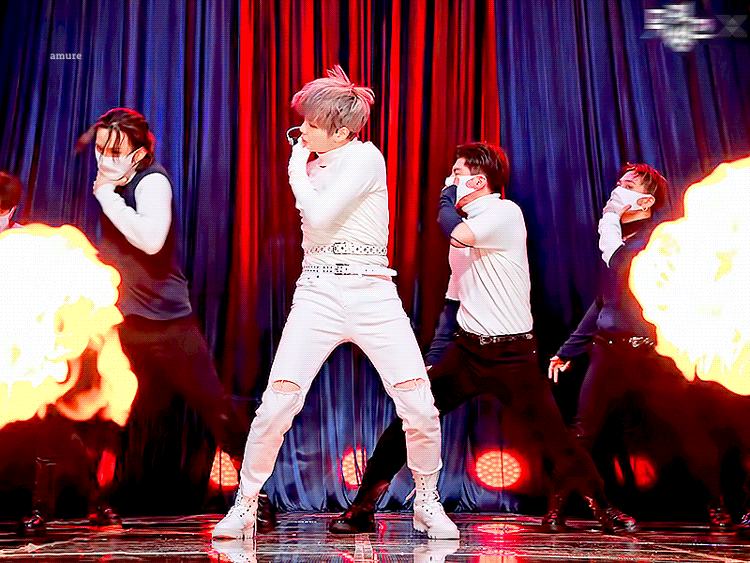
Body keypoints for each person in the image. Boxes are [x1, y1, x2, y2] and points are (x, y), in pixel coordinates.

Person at [328, 142, 636, 534]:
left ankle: (604, 507)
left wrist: (445, 197)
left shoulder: (502, 213)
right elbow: (453, 298)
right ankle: (362, 507)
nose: (450, 179)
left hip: (514, 355)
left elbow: (457, 233)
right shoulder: (467, 229)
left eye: (456, 173)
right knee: (412, 418)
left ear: (476, 181)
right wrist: (435, 357)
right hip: (468, 352)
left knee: (558, 440)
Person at [212, 66, 457, 540]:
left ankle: (427, 502)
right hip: (318, 292)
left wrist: (293, 169)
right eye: (303, 121)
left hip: (371, 291)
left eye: (311, 124)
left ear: (341, 131)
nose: (300, 131)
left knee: (419, 406)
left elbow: (322, 218)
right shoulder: (313, 163)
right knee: (276, 406)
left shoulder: (365, 158)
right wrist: (302, 167)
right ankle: (245, 504)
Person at [75, 108, 275, 528]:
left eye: (115, 150)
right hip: (119, 320)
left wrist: (107, 197)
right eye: (100, 148)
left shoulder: (151, 182)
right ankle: (92, 501)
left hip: (166, 321)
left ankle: (256, 498)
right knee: (101, 409)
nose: (104, 157)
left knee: (216, 410)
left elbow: (151, 241)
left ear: (138, 154)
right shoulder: (111, 183)